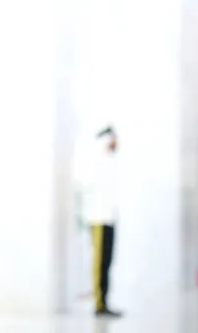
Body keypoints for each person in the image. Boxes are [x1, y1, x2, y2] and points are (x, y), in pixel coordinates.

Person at [80, 125, 123, 318]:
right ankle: (99, 303)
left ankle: (104, 300)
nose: (115, 143)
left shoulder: (110, 163)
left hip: (109, 218)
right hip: (98, 218)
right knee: (99, 262)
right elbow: (85, 185)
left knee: (107, 261)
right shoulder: (95, 160)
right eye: (112, 139)